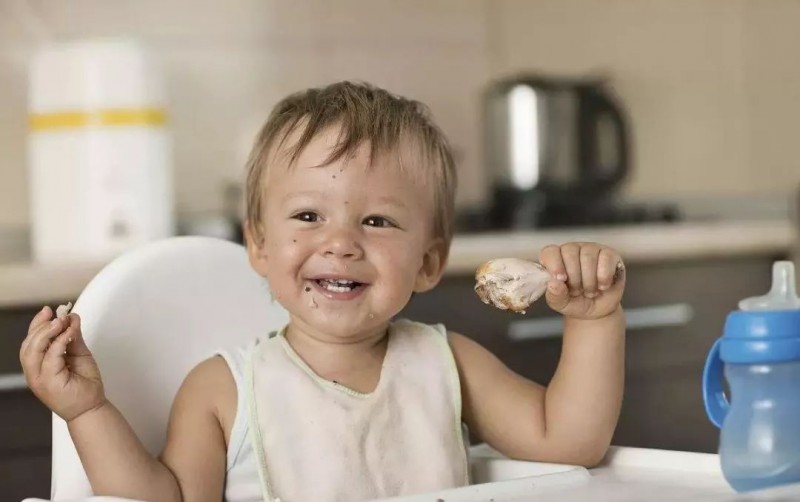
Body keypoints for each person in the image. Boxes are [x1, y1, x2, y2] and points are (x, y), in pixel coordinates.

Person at [20, 81, 626, 502]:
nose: (340, 243)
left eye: (378, 221)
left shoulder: (448, 363)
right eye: (309, 217)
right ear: (259, 245)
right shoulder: (223, 390)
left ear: (429, 262)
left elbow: (570, 442)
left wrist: (595, 321)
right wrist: (88, 412)